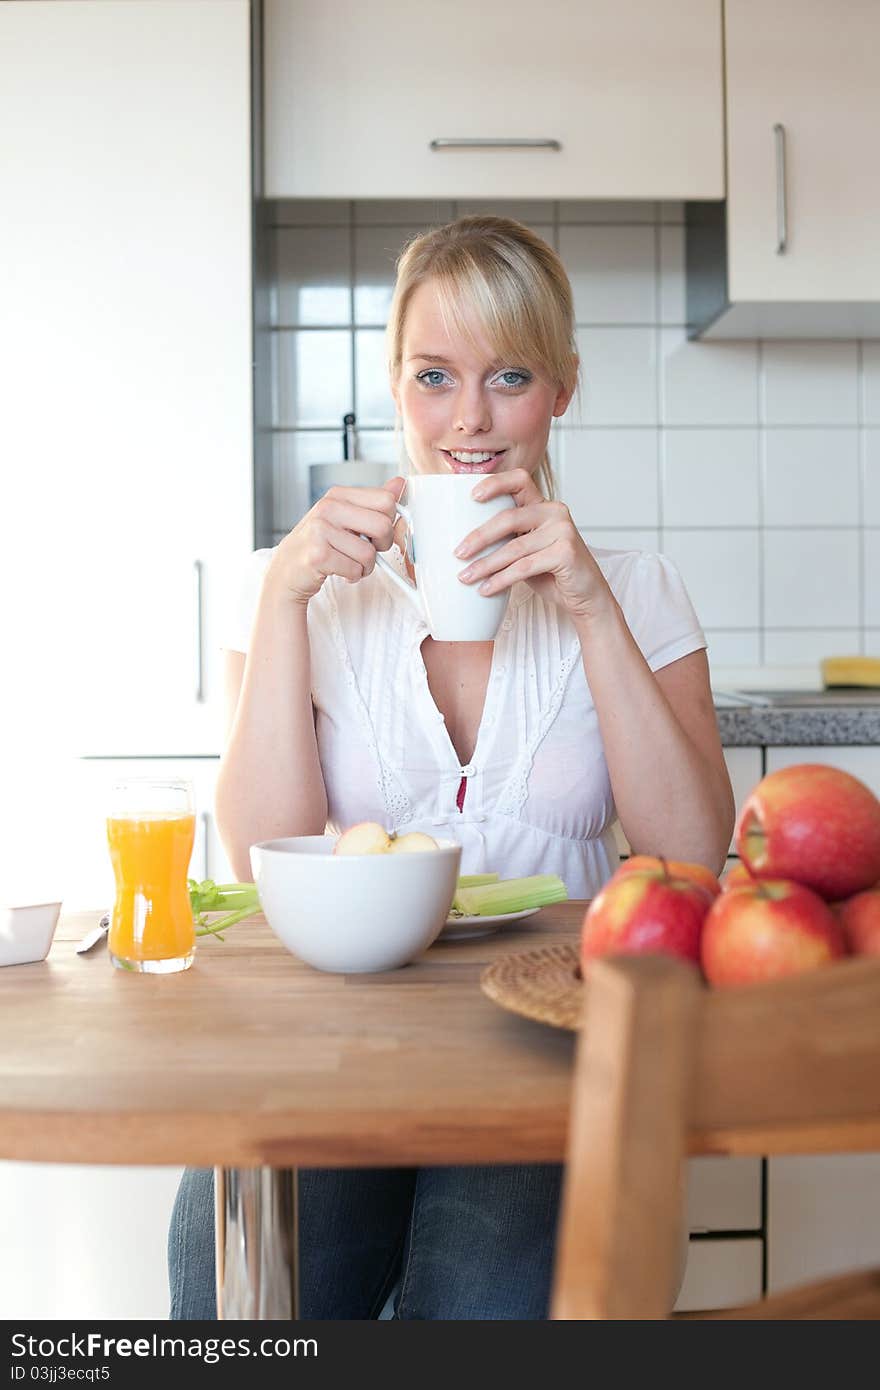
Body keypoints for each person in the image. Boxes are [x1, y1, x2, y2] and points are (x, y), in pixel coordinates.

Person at [168, 215, 735, 1320]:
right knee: (228, 1287)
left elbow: (688, 857)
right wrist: (285, 597)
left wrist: (586, 606)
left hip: (553, 1044)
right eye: (435, 377)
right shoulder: (291, 589)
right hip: (332, 1044)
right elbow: (256, 851)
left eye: (508, 376)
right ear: (395, 385)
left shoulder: (638, 589)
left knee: (481, 1304)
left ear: (560, 390)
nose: (469, 420)